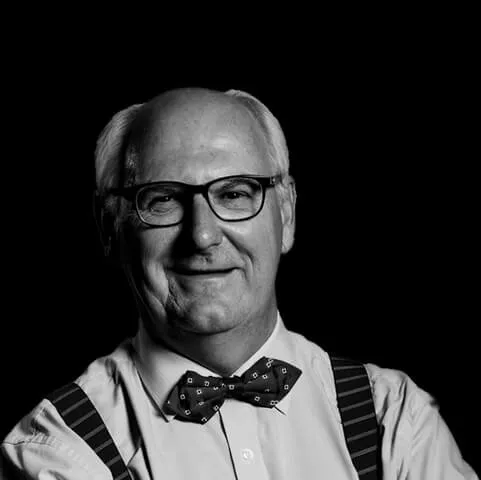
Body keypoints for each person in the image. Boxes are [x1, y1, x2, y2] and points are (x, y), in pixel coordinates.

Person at [0, 87, 477, 479]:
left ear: (286, 215)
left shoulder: (394, 419)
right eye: (163, 199)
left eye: (233, 194)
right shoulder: (61, 449)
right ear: (110, 228)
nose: (202, 236)